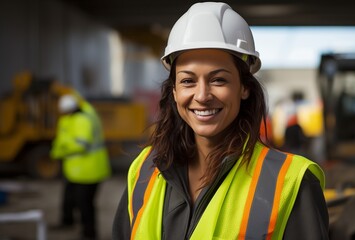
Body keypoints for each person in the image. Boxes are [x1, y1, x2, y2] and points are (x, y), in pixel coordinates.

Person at [112, 2, 328, 239]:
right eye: (187, 81)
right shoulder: (145, 168)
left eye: (219, 80)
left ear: (244, 87)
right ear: (173, 90)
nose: (202, 96)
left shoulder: (291, 182)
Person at [50, 93, 111, 240]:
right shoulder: (70, 119)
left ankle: (89, 233)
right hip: (75, 169)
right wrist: (57, 151)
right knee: (69, 197)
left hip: (89, 170)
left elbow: (81, 145)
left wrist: (61, 150)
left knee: (85, 203)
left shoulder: (83, 120)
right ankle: (67, 221)